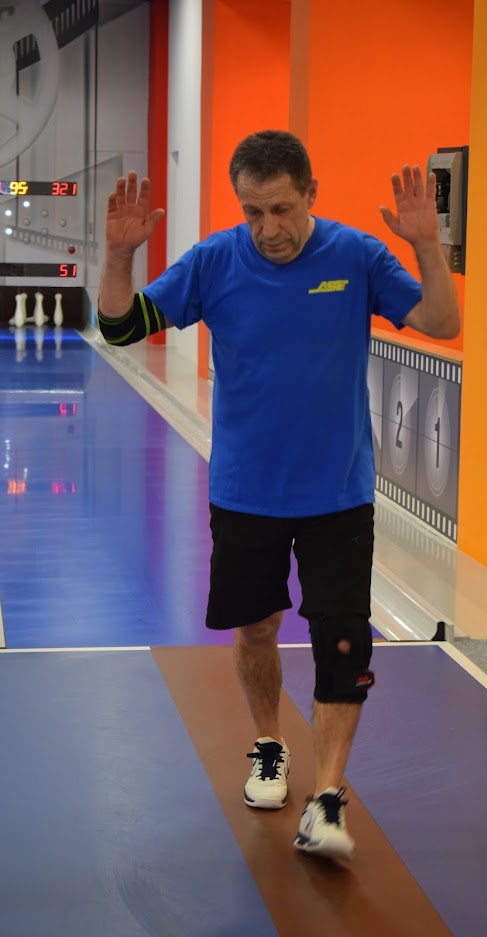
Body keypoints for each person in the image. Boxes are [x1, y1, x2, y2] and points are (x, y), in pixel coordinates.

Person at [98, 129, 460, 863]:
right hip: (245, 491)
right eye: (253, 211)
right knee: (258, 627)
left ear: (311, 194)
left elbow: (442, 323)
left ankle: (327, 796)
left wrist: (428, 245)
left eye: (282, 210)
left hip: (337, 492)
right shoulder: (213, 261)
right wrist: (118, 256)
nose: (269, 228)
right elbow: (121, 326)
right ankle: (269, 746)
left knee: (342, 641)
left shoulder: (356, 256)